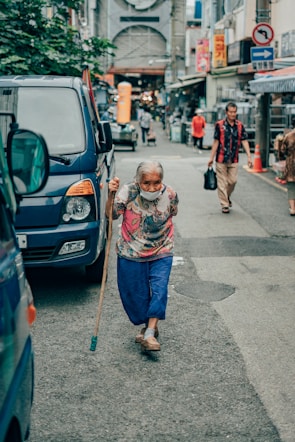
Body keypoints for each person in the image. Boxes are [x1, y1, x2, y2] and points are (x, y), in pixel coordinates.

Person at [106, 160, 179, 351]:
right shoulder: (128, 192)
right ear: (138, 180)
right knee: (134, 295)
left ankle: (150, 333)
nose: (152, 187)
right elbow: (111, 215)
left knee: (159, 289)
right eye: (146, 183)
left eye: (157, 182)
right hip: (131, 251)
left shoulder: (170, 194)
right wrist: (110, 194)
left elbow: (173, 213)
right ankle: (147, 326)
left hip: (162, 248)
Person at [208, 101, 253, 214]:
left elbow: (244, 141)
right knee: (222, 182)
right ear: (226, 112)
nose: (233, 114)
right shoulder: (219, 125)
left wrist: (249, 156)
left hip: (234, 159)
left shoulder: (240, 126)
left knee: (233, 181)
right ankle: (224, 204)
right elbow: (216, 142)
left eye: (234, 112)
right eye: (231, 112)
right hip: (221, 159)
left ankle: (226, 197)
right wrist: (211, 158)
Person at [278, 129, 295, 215]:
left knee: (291, 186)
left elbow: (282, 150)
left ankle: (292, 209)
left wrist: (281, 159)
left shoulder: (289, 136)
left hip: (291, 163)